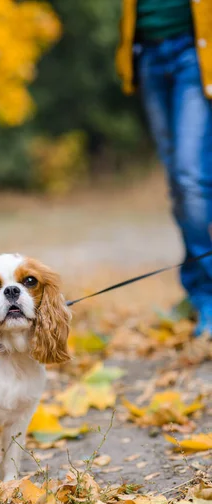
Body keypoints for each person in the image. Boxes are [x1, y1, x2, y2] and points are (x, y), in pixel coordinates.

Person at [116, 0, 212, 335]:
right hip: (148, 53)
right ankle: (201, 296)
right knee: (181, 186)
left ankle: (208, 296)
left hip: (196, 49)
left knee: (190, 179)